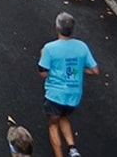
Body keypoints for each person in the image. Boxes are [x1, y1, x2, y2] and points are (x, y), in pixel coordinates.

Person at [38, 12, 98, 157]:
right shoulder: (82, 46)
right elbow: (95, 70)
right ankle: (73, 149)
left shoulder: (49, 48)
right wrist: (79, 68)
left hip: (55, 95)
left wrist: (42, 56)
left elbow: (43, 73)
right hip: (74, 96)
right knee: (63, 116)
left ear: (57, 28)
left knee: (53, 124)